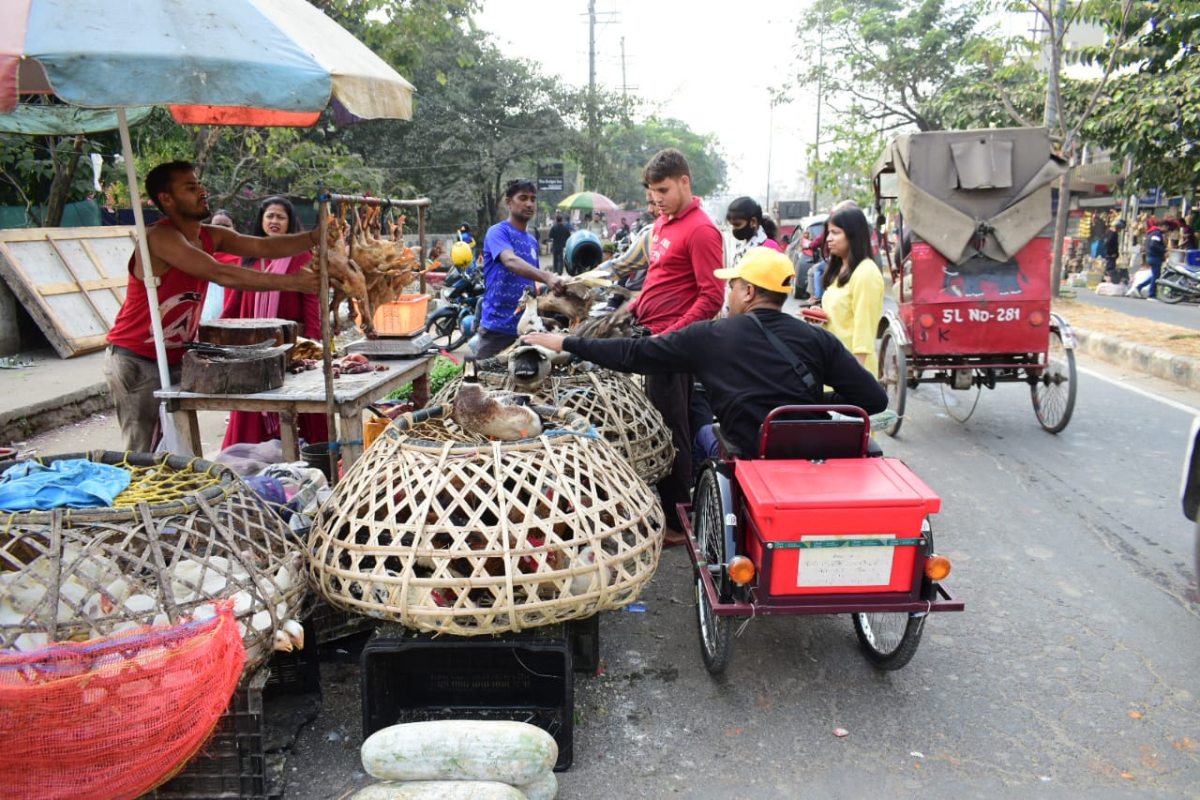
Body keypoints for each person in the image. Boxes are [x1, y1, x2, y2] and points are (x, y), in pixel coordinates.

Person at [523, 248, 887, 460]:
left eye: (732, 287)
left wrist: (565, 343)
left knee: (700, 431)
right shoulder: (816, 338)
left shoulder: (709, 335)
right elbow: (873, 399)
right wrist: (811, 401)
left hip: (748, 453)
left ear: (747, 292)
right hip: (808, 452)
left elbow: (634, 353)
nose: (728, 295)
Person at [104, 160, 325, 453]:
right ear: (166, 199)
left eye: (199, 185)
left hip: (175, 356)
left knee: (177, 446)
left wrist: (316, 236)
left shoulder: (209, 235)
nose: (202, 192)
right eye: (191, 187)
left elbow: (264, 247)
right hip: (137, 359)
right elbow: (220, 273)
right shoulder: (160, 237)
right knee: (142, 450)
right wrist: (294, 282)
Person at [622, 147, 725, 545]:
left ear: (685, 181)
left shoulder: (701, 229)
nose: (658, 199)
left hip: (675, 346)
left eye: (663, 190)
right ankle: (669, 510)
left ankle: (679, 523)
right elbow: (658, 279)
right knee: (659, 427)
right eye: (653, 192)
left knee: (671, 432)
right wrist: (632, 308)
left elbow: (711, 297)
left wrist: (673, 334)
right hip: (654, 339)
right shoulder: (665, 225)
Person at [220, 196, 327, 450]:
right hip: (252, 348)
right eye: (270, 216)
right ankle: (253, 456)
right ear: (261, 220)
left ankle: (307, 453)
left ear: (290, 222)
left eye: (280, 216)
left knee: (297, 403)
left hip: (290, 346)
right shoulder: (248, 256)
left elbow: (311, 301)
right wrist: (220, 331)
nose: (274, 221)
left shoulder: (301, 257)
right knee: (253, 403)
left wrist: (312, 342)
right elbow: (235, 297)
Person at [475, 178, 567, 358]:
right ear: (509, 202)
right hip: (497, 328)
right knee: (484, 381)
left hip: (526, 330)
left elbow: (532, 287)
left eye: (533, 199)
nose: (529, 204)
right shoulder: (498, 232)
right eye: (523, 198)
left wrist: (541, 320)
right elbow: (510, 260)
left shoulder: (532, 242)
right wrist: (548, 277)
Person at [820, 205, 885, 374]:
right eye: (829, 232)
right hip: (833, 367)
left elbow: (864, 331)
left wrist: (854, 377)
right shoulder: (839, 270)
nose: (828, 238)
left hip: (852, 372)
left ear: (853, 235)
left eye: (835, 232)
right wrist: (820, 315)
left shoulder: (866, 273)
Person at [199, 209, 241, 321]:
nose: (221, 229)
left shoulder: (243, 260)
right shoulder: (200, 257)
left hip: (233, 321)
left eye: (226, 226)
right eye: (217, 225)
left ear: (234, 228)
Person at [725, 196, 781, 267]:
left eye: (737, 224)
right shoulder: (743, 245)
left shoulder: (769, 249)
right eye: (732, 225)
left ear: (753, 222)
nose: (734, 229)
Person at [1128, 218, 1168, 300]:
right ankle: (1151, 294)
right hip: (1155, 257)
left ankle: (1139, 287)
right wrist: (1163, 250)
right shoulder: (1156, 233)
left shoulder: (1152, 233)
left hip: (1151, 257)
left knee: (1155, 275)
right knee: (1156, 277)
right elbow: (1154, 245)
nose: (1167, 230)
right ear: (1163, 226)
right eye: (1167, 228)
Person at [1105, 218, 1127, 286]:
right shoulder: (1113, 234)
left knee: (1110, 268)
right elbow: (1108, 243)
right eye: (1120, 228)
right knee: (1110, 269)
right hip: (1111, 255)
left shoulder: (1112, 233)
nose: (1120, 230)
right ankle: (1109, 282)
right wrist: (1112, 253)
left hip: (1111, 254)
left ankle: (1110, 282)